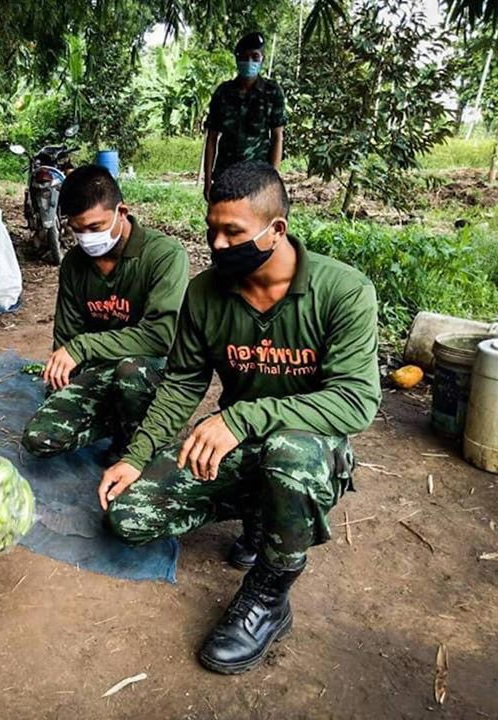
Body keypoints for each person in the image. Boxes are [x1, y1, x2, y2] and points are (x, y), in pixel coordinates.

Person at [99, 161, 380, 674]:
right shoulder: (207, 293)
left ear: (277, 231)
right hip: (237, 447)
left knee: (288, 455)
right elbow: (183, 382)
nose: (220, 244)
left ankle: (269, 596)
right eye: (213, 230)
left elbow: (357, 399)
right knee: (127, 517)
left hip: (307, 453)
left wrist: (244, 416)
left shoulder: (343, 292)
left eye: (234, 232)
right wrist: (137, 457)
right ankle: (258, 516)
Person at [21, 165, 189, 463]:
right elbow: (66, 338)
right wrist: (62, 389)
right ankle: (114, 419)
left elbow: (160, 337)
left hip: (150, 373)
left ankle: (143, 441)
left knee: (131, 372)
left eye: (95, 227)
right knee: (41, 438)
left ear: (121, 212)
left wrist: (82, 347)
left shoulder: (164, 255)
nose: (87, 238)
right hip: (101, 374)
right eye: (78, 229)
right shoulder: (74, 264)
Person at [202, 32, 287, 200]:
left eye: (255, 57)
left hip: (257, 176)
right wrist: (208, 180)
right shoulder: (223, 92)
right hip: (225, 174)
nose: (250, 62)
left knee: (254, 222)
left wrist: (273, 180)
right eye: (245, 57)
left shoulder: (272, 92)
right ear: (237, 59)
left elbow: (277, 137)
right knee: (223, 221)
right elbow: (212, 139)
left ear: (262, 58)